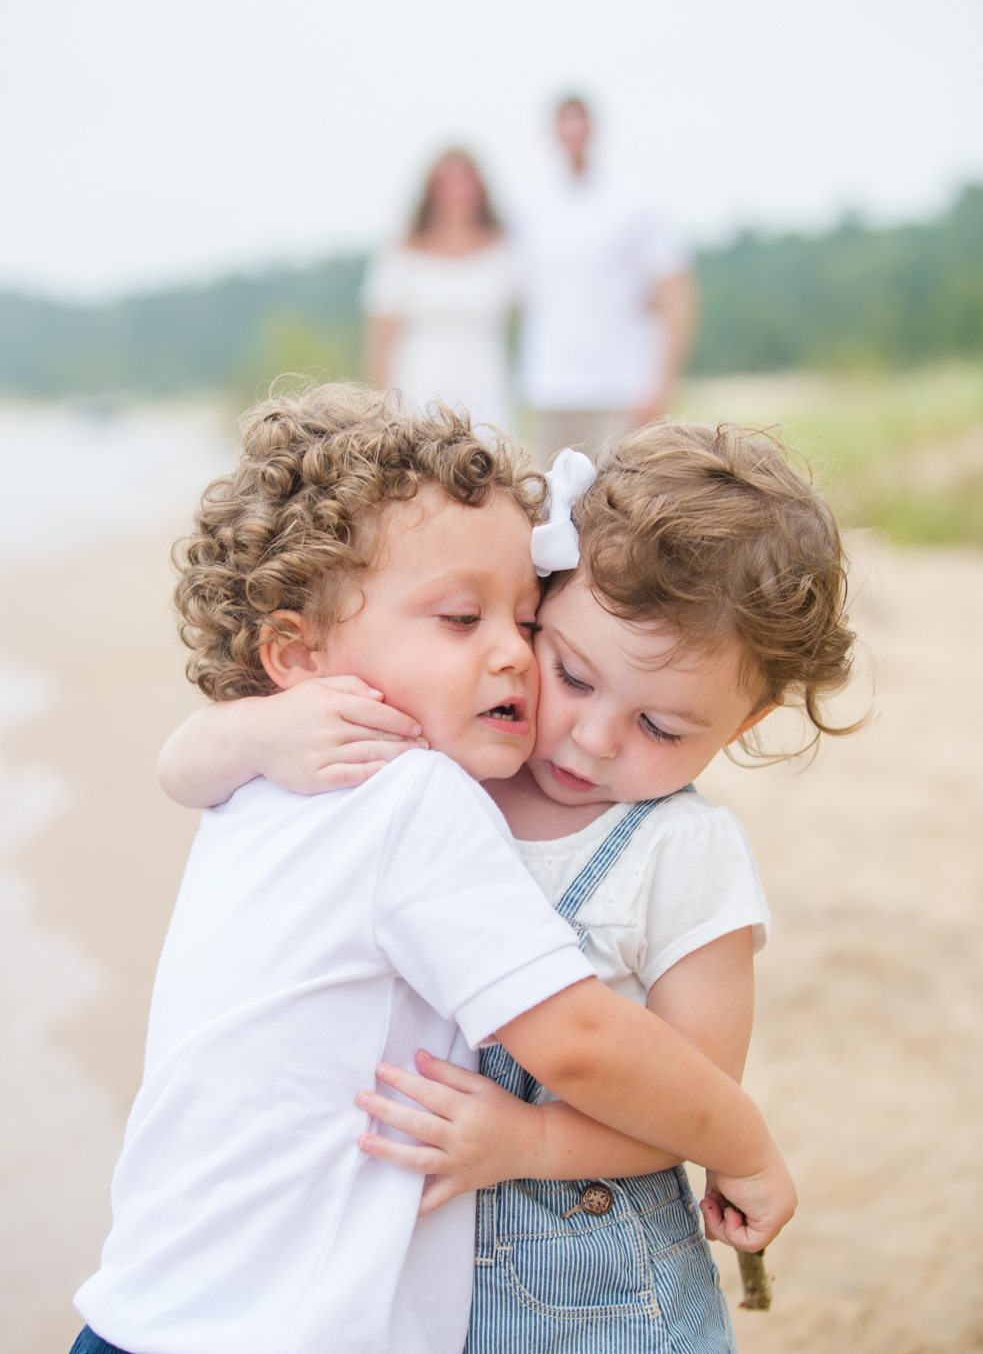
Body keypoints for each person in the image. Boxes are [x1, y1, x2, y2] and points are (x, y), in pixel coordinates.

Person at [72, 385, 796, 1354]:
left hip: (146, 1303)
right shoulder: (411, 796)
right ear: (296, 653)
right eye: (461, 620)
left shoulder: (264, 775)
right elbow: (578, 1041)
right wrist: (745, 1144)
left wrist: (248, 723)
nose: (510, 656)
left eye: (524, 620)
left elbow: (182, 763)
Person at [517, 94, 697, 458]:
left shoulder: (634, 203)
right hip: (550, 386)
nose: (572, 132)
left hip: (620, 386)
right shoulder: (529, 207)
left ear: (593, 129)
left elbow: (675, 292)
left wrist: (661, 383)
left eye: (578, 122)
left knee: (615, 503)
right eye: (563, 123)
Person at [363, 147, 518, 429]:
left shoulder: (503, 248)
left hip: (485, 385)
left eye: (465, 182)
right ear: (431, 190)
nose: (457, 193)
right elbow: (382, 332)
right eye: (447, 183)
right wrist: (381, 404)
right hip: (420, 385)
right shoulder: (403, 250)